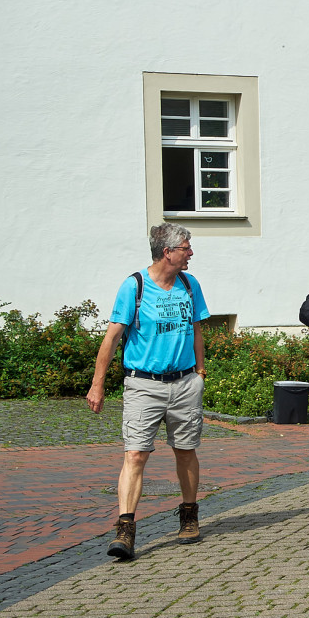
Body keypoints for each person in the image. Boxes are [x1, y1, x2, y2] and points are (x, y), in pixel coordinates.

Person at [86, 223, 211, 560]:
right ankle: (125, 530)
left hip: (185, 383)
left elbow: (197, 329)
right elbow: (111, 338)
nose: (191, 253)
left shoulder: (189, 284)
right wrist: (97, 384)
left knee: (185, 450)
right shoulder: (135, 286)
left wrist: (200, 372)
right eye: (186, 247)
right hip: (143, 384)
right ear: (167, 252)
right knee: (135, 454)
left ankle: (189, 516)